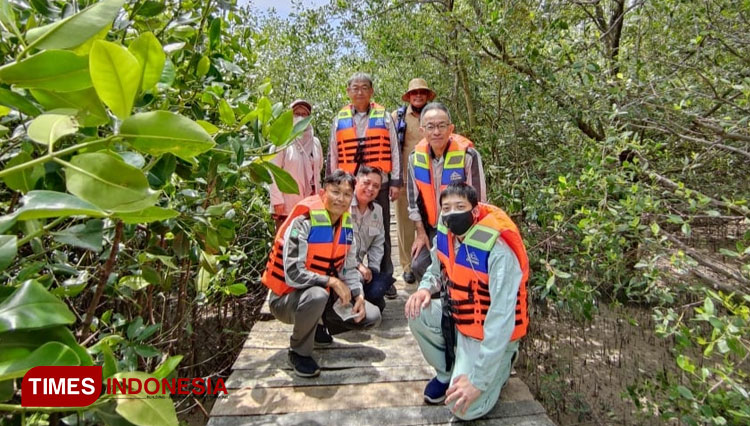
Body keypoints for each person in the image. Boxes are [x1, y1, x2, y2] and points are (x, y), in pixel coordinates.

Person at [405, 183, 529, 420]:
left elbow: (501, 319)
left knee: (463, 408)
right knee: (417, 311)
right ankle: (446, 374)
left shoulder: (498, 251)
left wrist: (478, 382)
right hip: (460, 322)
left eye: (460, 206)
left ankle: (499, 369)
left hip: (489, 335)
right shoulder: (446, 235)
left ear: (474, 211)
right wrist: (424, 289)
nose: (453, 213)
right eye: (447, 208)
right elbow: (435, 268)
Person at [261, 170, 382, 378]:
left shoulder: (346, 226)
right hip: (286, 299)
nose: (340, 199)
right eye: (335, 192)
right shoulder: (302, 223)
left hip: (321, 294)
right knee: (318, 294)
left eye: (346, 194)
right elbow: (292, 274)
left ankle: (316, 327)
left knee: (372, 315)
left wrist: (358, 294)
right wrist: (332, 281)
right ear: (324, 192)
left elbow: (349, 267)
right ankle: (299, 351)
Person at [327, 72, 401, 299]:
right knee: (343, 231)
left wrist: (396, 180)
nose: (359, 92)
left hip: (378, 183)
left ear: (371, 91)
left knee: (382, 231)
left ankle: (384, 277)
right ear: (348, 92)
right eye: (355, 88)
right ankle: (344, 272)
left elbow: (394, 149)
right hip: (349, 185)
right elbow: (333, 151)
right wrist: (332, 183)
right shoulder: (339, 119)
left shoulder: (385, 117)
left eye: (364, 87)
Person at [406, 102, 486, 284]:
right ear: (422, 131)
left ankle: (457, 306)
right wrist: (420, 233)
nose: (436, 132)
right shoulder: (414, 158)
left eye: (442, 126)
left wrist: (469, 236)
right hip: (432, 228)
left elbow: (480, 201)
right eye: (431, 127)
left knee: (461, 268)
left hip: (463, 228)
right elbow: (412, 202)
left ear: (451, 128)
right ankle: (434, 306)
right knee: (419, 264)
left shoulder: (469, 156)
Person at [392, 78, 436, 284]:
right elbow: (392, 149)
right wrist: (393, 179)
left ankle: (430, 262)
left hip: (431, 180)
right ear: (409, 96)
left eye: (422, 92)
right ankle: (407, 265)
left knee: (431, 221)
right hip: (404, 180)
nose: (418, 96)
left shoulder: (435, 115)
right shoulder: (397, 117)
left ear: (427, 96)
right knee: (404, 224)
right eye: (414, 93)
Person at [269, 99, 323, 229]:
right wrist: (277, 201)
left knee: (307, 242)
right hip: (286, 204)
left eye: (304, 114)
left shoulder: (315, 142)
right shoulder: (281, 141)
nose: (300, 117)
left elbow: (318, 169)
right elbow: (272, 172)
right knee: (285, 243)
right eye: (296, 113)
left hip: (311, 203)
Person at [350, 166, 396, 312]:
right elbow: (338, 246)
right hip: (343, 267)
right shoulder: (344, 206)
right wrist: (358, 265)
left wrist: (373, 270)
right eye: (366, 183)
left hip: (363, 272)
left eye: (376, 186)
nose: (370, 189)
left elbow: (378, 243)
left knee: (378, 295)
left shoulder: (377, 210)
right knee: (360, 283)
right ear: (356, 182)